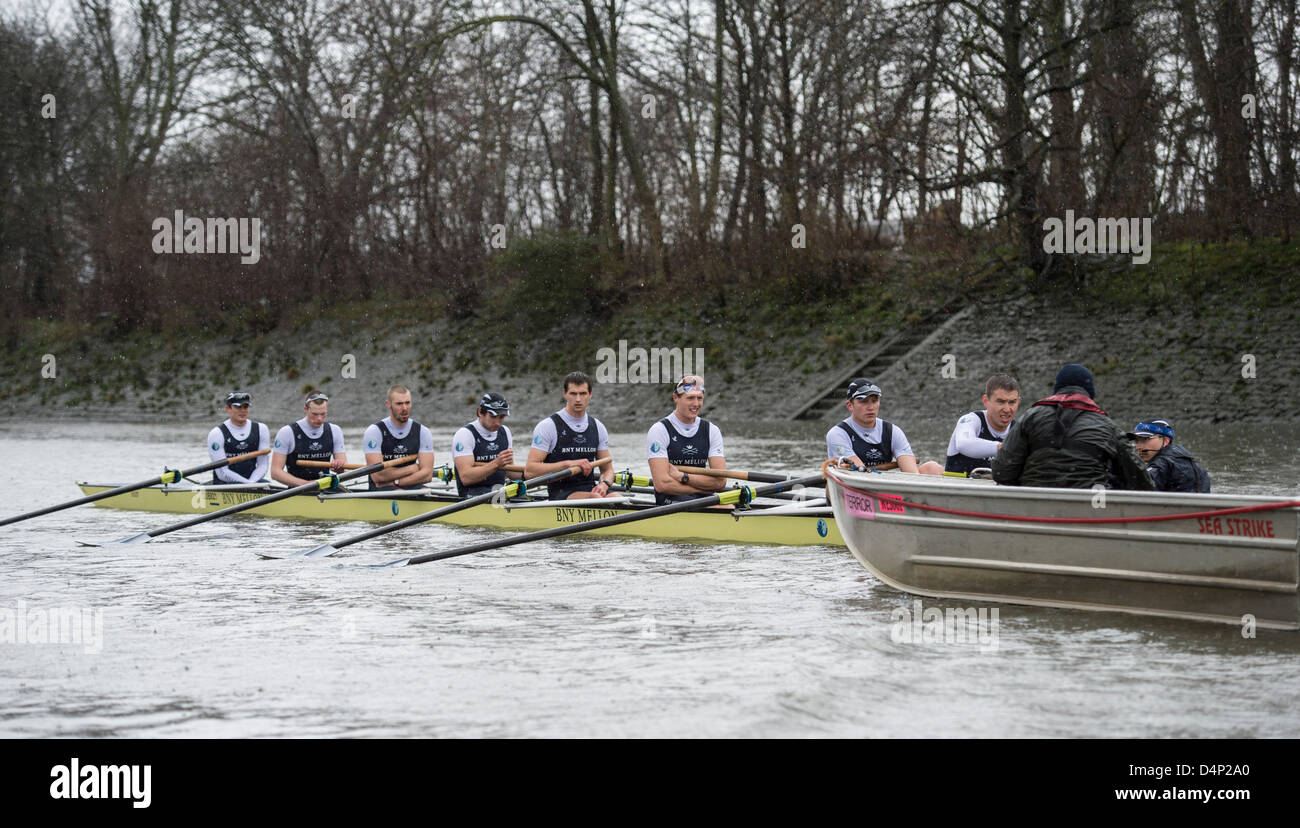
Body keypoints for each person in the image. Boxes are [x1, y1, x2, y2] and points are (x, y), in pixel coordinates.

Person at [992, 363, 1153, 490]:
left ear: (1057, 389)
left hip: (1036, 509)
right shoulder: (1108, 426)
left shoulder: (1030, 417)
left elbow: (1002, 472)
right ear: (1089, 394)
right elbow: (1141, 483)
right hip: (1091, 511)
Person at [525, 371, 615, 499]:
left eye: (583, 393)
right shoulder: (548, 426)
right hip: (561, 492)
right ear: (565, 394)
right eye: (573, 393)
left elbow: (608, 470)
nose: (578, 399)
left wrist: (604, 484)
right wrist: (567, 464)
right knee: (595, 499)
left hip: (591, 489)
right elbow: (530, 471)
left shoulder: (598, 427)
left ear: (590, 394)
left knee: (616, 496)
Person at [826, 379, 943, 474]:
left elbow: (912, 474)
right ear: (850, 405)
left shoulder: (893, 432)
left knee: (933, 468)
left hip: (881, 487)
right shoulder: (838, 434)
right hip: (852, 486)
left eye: (874, 400)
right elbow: (860, 473)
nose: (870, 407)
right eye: (864, 401)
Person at [646, 375, 727, 505]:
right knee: (724, 508)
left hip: (702, 497)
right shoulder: (659, 430)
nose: (696, 404)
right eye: (690, 398)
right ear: (676, 398)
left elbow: (720, 482)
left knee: (730, 506)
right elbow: (662, 484)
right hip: (670, 499)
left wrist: (682, 477)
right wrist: (703, 488)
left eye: (699, 398)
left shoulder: (712, 430)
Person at [362, 385, 436, 491]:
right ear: (388, 404)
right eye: (399, 404)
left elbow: (427, 474)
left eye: (407, 403)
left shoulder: (423, 432)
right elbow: (378, 476)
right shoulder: (374, 432)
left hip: (409, 484)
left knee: (427, 492)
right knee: (400, 493)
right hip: (381, 488)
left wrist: (397, 482)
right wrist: (412, 468)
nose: (404, 408)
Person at [945, 373, 1021, 474]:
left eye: (1012, 402)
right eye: (1001, 402)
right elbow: (963, 444)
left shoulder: (1019, 430)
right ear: (986, 401)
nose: (1007, 409)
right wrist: (1003, 448)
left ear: (1018, 402)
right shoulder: (971, 420)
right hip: (958, 487)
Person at [270, 390, 348, 486]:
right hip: (297, 491)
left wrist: (340, 468)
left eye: (323, 414)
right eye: (315, 414)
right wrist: (306, 484)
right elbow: (275, 472)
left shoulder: (335, 430)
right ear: (305, 409)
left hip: (325, 488)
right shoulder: (287, 432)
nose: (319, 418)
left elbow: (345, 471)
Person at [452, 392, 522, 498]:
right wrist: (496, 464)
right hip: (471, 496)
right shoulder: (465, 434)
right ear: (480, 412)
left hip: (499, 492)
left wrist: (530, 474)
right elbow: (466, 478)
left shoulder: (505, 432)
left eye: (502, 417)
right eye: (493, 416)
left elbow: (509, 472)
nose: (498, 422)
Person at [1128, 418, 1211, 493]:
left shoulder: (1161, 463)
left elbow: (1140, 489)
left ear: (1166, 441)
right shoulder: (1192, 462)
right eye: (1136, 441)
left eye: (1144, 439)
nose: (1138, 447)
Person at [207, 391, 271, 484]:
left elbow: (263, 465)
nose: (243, 410)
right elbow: (222, 472)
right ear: (228, 408)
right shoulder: (217, 433)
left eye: (245, 407)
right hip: (224, 484)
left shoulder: (261, 429)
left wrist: (252, 482)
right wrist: (247, 484)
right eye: (238, 407)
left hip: (252, 480)